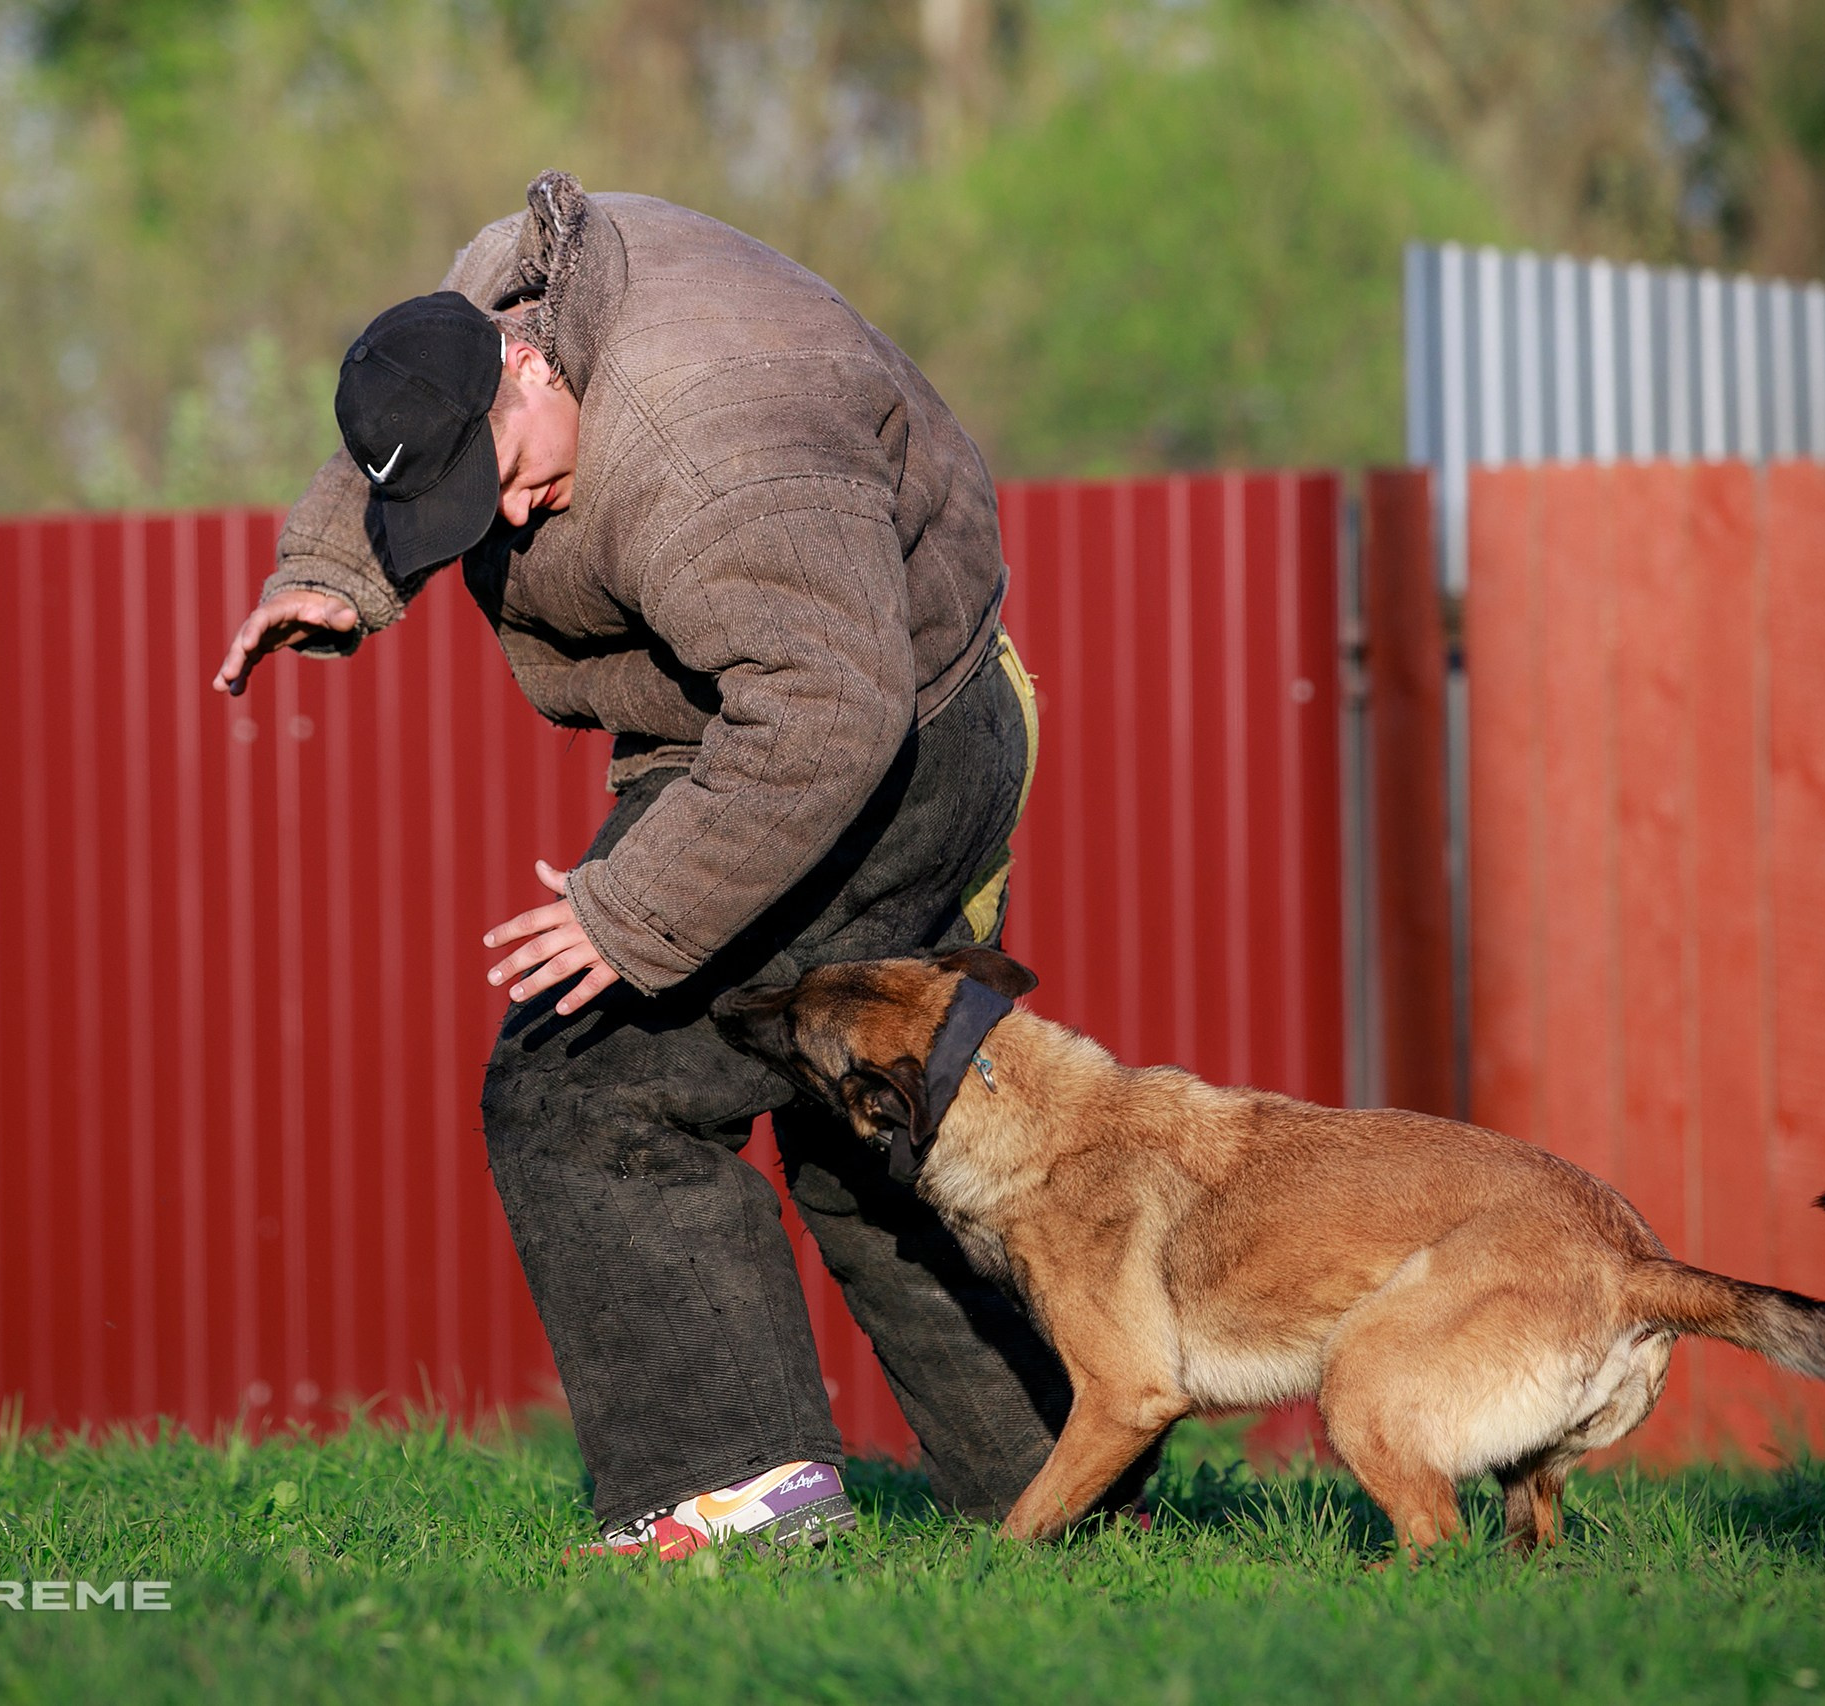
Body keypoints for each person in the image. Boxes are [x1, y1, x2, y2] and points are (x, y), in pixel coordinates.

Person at [211, 171, 1145, 1558]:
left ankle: (734, 1495)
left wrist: (632, 915)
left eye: (508, 475)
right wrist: (340, 562)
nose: (513, 517)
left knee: (586, 1089)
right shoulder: (491, 314)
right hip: (776, 721)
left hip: (882, 741)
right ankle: (1061, 1478)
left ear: (530, 365)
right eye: (477, 499)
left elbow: (827, 713)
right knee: (852, 1116)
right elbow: (409, 425)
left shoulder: (713, 446)